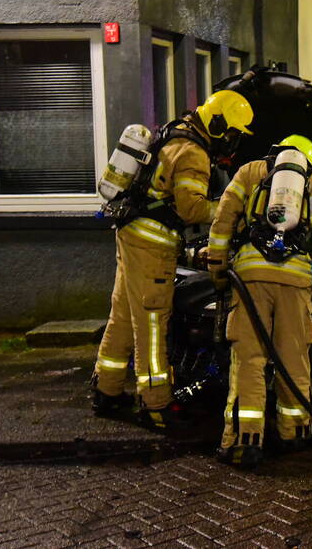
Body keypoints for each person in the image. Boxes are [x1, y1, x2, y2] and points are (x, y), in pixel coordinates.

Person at [91, 89, 255, 429]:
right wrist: (231, 211)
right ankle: (155, 404)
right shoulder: (193, 153)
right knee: (151, 324)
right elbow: (191, 208)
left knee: (122, 314)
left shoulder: (177, 131)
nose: (233, 142)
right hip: (152, 245)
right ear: (220, 123)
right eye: (233, 133)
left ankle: (105, 390)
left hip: (131, 234)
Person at [207, 135, 312, 467]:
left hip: (249, 276)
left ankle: (244, 441)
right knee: (293, 356)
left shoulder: (250, 172)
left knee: (249, 360)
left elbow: (221, 225)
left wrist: (220, 273)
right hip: (295, 279)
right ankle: (294, 431)